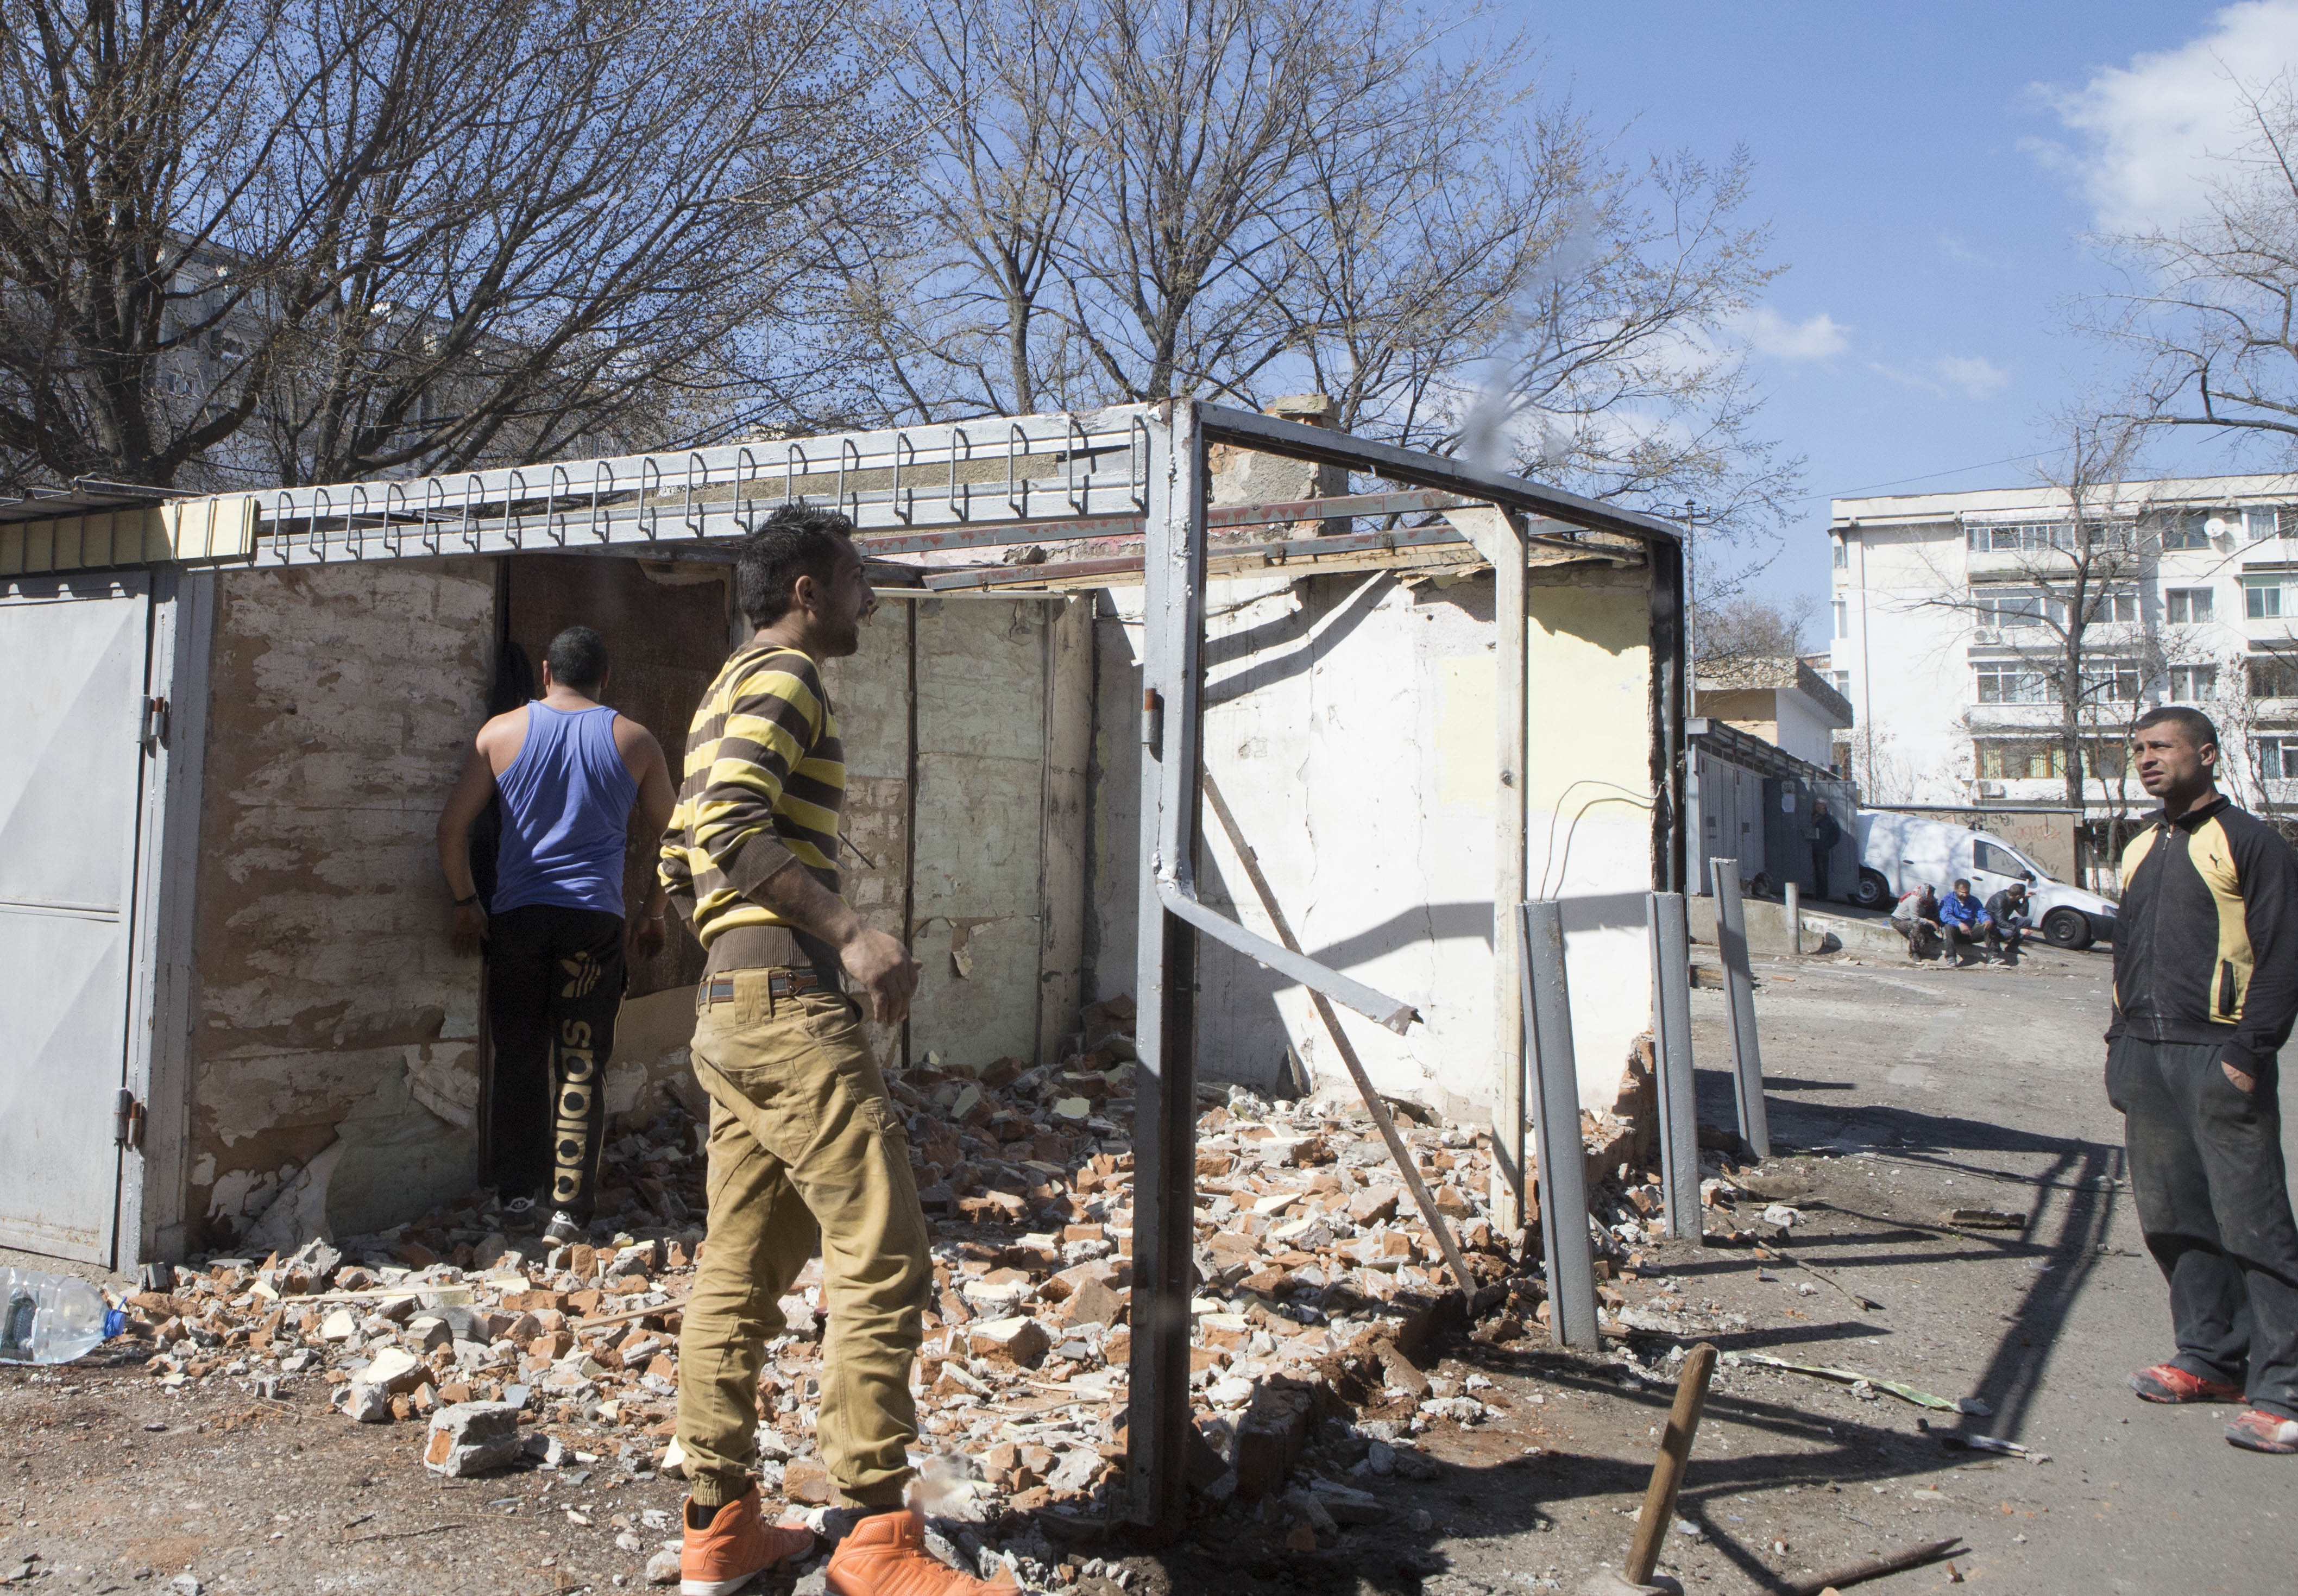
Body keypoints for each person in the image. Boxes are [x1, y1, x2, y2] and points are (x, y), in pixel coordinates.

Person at [660, 504, 1009, 1595]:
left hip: (730, 1005)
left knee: (742, 1262)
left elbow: (678, 857)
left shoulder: (719, 689)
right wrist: (845, 931)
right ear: (806, 592)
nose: (867, 595)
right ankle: (872, 1534)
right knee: (882, 1247)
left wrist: (731, 944)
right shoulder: (788, 678)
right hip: (786, 1006)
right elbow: (722, 826)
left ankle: (718, 1530)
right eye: (855, 578)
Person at [437, 626, 676, 1246]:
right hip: (593, 923)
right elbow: (679, 840)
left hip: (517, 917)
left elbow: (451, 829)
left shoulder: (500, 733)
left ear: (545, 672)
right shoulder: (635, 740)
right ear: (607, 676)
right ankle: (571, 1211)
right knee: (580, 1061)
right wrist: (653, 911)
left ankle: (518, 1200)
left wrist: (466, 901)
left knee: (517, 1058)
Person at [2107, 704, 2298, 1456]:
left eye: (2160, 747)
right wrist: (2117, 1047)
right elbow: (2123, 954)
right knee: (2173, 1217)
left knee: (2253, 1222)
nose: (2146, 759)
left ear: (2206, 754)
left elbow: (2283, 954)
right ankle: (2208, 1357)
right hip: (2146, 1055)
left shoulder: (2250, 843)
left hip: (2217, 1052)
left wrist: (2250, 1050)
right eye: (2137, 749)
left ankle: (2281, 1385)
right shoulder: (2139, 846)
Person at [1938, 878, 1993, 965]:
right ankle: (1951, 957)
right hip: (1955, 933)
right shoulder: (1948, 900)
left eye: (1967, 892)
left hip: (1969, 932)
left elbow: (1981, 912)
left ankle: (1993, 956)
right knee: (1948, 927)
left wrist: (1987, 920)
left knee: (1987, 926)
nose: (1965, 895)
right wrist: (1959, 924)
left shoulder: (1974, 900)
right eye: (1962, 892)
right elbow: (1945, 916)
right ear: (1955, 889)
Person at [1985, 880, 2031, 963]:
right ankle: (1995, 946)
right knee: (2008, 933)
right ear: (2017, 896)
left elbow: (2023, 914)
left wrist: (2026, 900)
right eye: (2021, 897)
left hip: (2003, 922)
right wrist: (2019, 930)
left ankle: (2012, 947)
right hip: (1994, 926)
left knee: (2027, 921)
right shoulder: (2000, 900)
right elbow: (2000, 922)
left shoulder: (2013, 899)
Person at [1891, 882, 1941, 960]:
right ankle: (1914, 952)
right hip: (1899, 920)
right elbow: (1915, 919)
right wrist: (1931, 922)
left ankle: (1931, 934)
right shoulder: (1914, 900)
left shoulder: (1929, 901)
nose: (1932, 897)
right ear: (1926, 894)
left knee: (1934, 914)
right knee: (1916, 926)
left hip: (1915, 919)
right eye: (1930, 895)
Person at [1812, 800, 1843, 901]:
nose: (1816, 807)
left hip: (1822, 849)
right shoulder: (1815, 817)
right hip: (1815, 847)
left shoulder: (1829, 819)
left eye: (1818, 805)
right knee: (1817, 871)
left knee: (1822, 872)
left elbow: (1837, 835)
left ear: (1823, 807)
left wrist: (1826, 845)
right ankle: (1817, 893)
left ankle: (1822, 895)